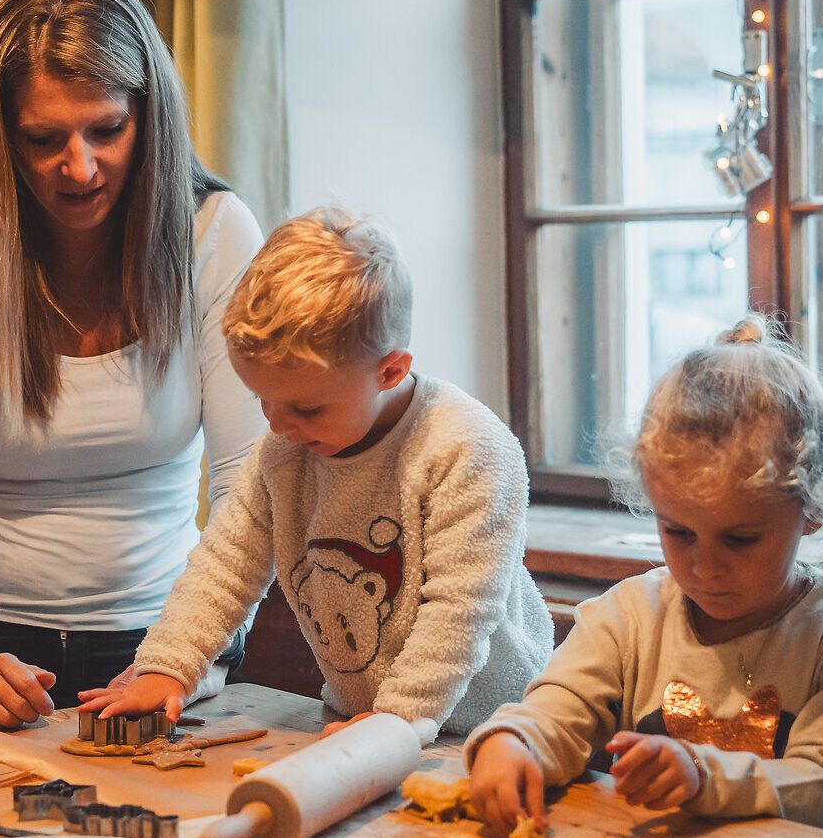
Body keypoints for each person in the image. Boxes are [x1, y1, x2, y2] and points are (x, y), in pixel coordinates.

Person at [0, 0, 264, 730]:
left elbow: (252, 489)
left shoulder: (215, 237)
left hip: (173, 644)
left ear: (148, 119)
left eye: (106, 130)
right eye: (43, 139)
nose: (80, 167)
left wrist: (181, 654)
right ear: (0, 140)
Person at [79, 207, 555, 736]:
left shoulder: (466, 447)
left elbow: (459, 612)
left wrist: (399, 719)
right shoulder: (286, 450)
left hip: (494, 731)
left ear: (390, 370)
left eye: (305, 409)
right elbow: (226, 563)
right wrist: (169, 666)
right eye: (262, 399)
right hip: (365, 719)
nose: (277, 425)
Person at [467, 317, 823, 838]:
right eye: (678, 532)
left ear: (814, 509)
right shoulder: (627, 616)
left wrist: (704, 775)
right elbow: (558, 711)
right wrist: (514, 742)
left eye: (740, 539)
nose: (706, 567)